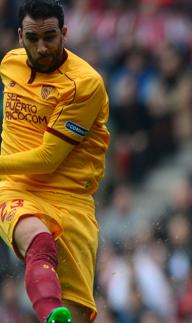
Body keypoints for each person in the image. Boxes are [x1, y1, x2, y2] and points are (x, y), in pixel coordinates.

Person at [0, 0, 110, 322]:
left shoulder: (85, 85)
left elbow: (48, 159)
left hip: (72, 200)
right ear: (20, 36)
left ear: (64, 33)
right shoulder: (10, 64)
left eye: (50, 36)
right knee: (38, 238)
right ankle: (50, 314)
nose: (42, 47)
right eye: (33, 39)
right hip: (14, 188)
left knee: (77, 315)